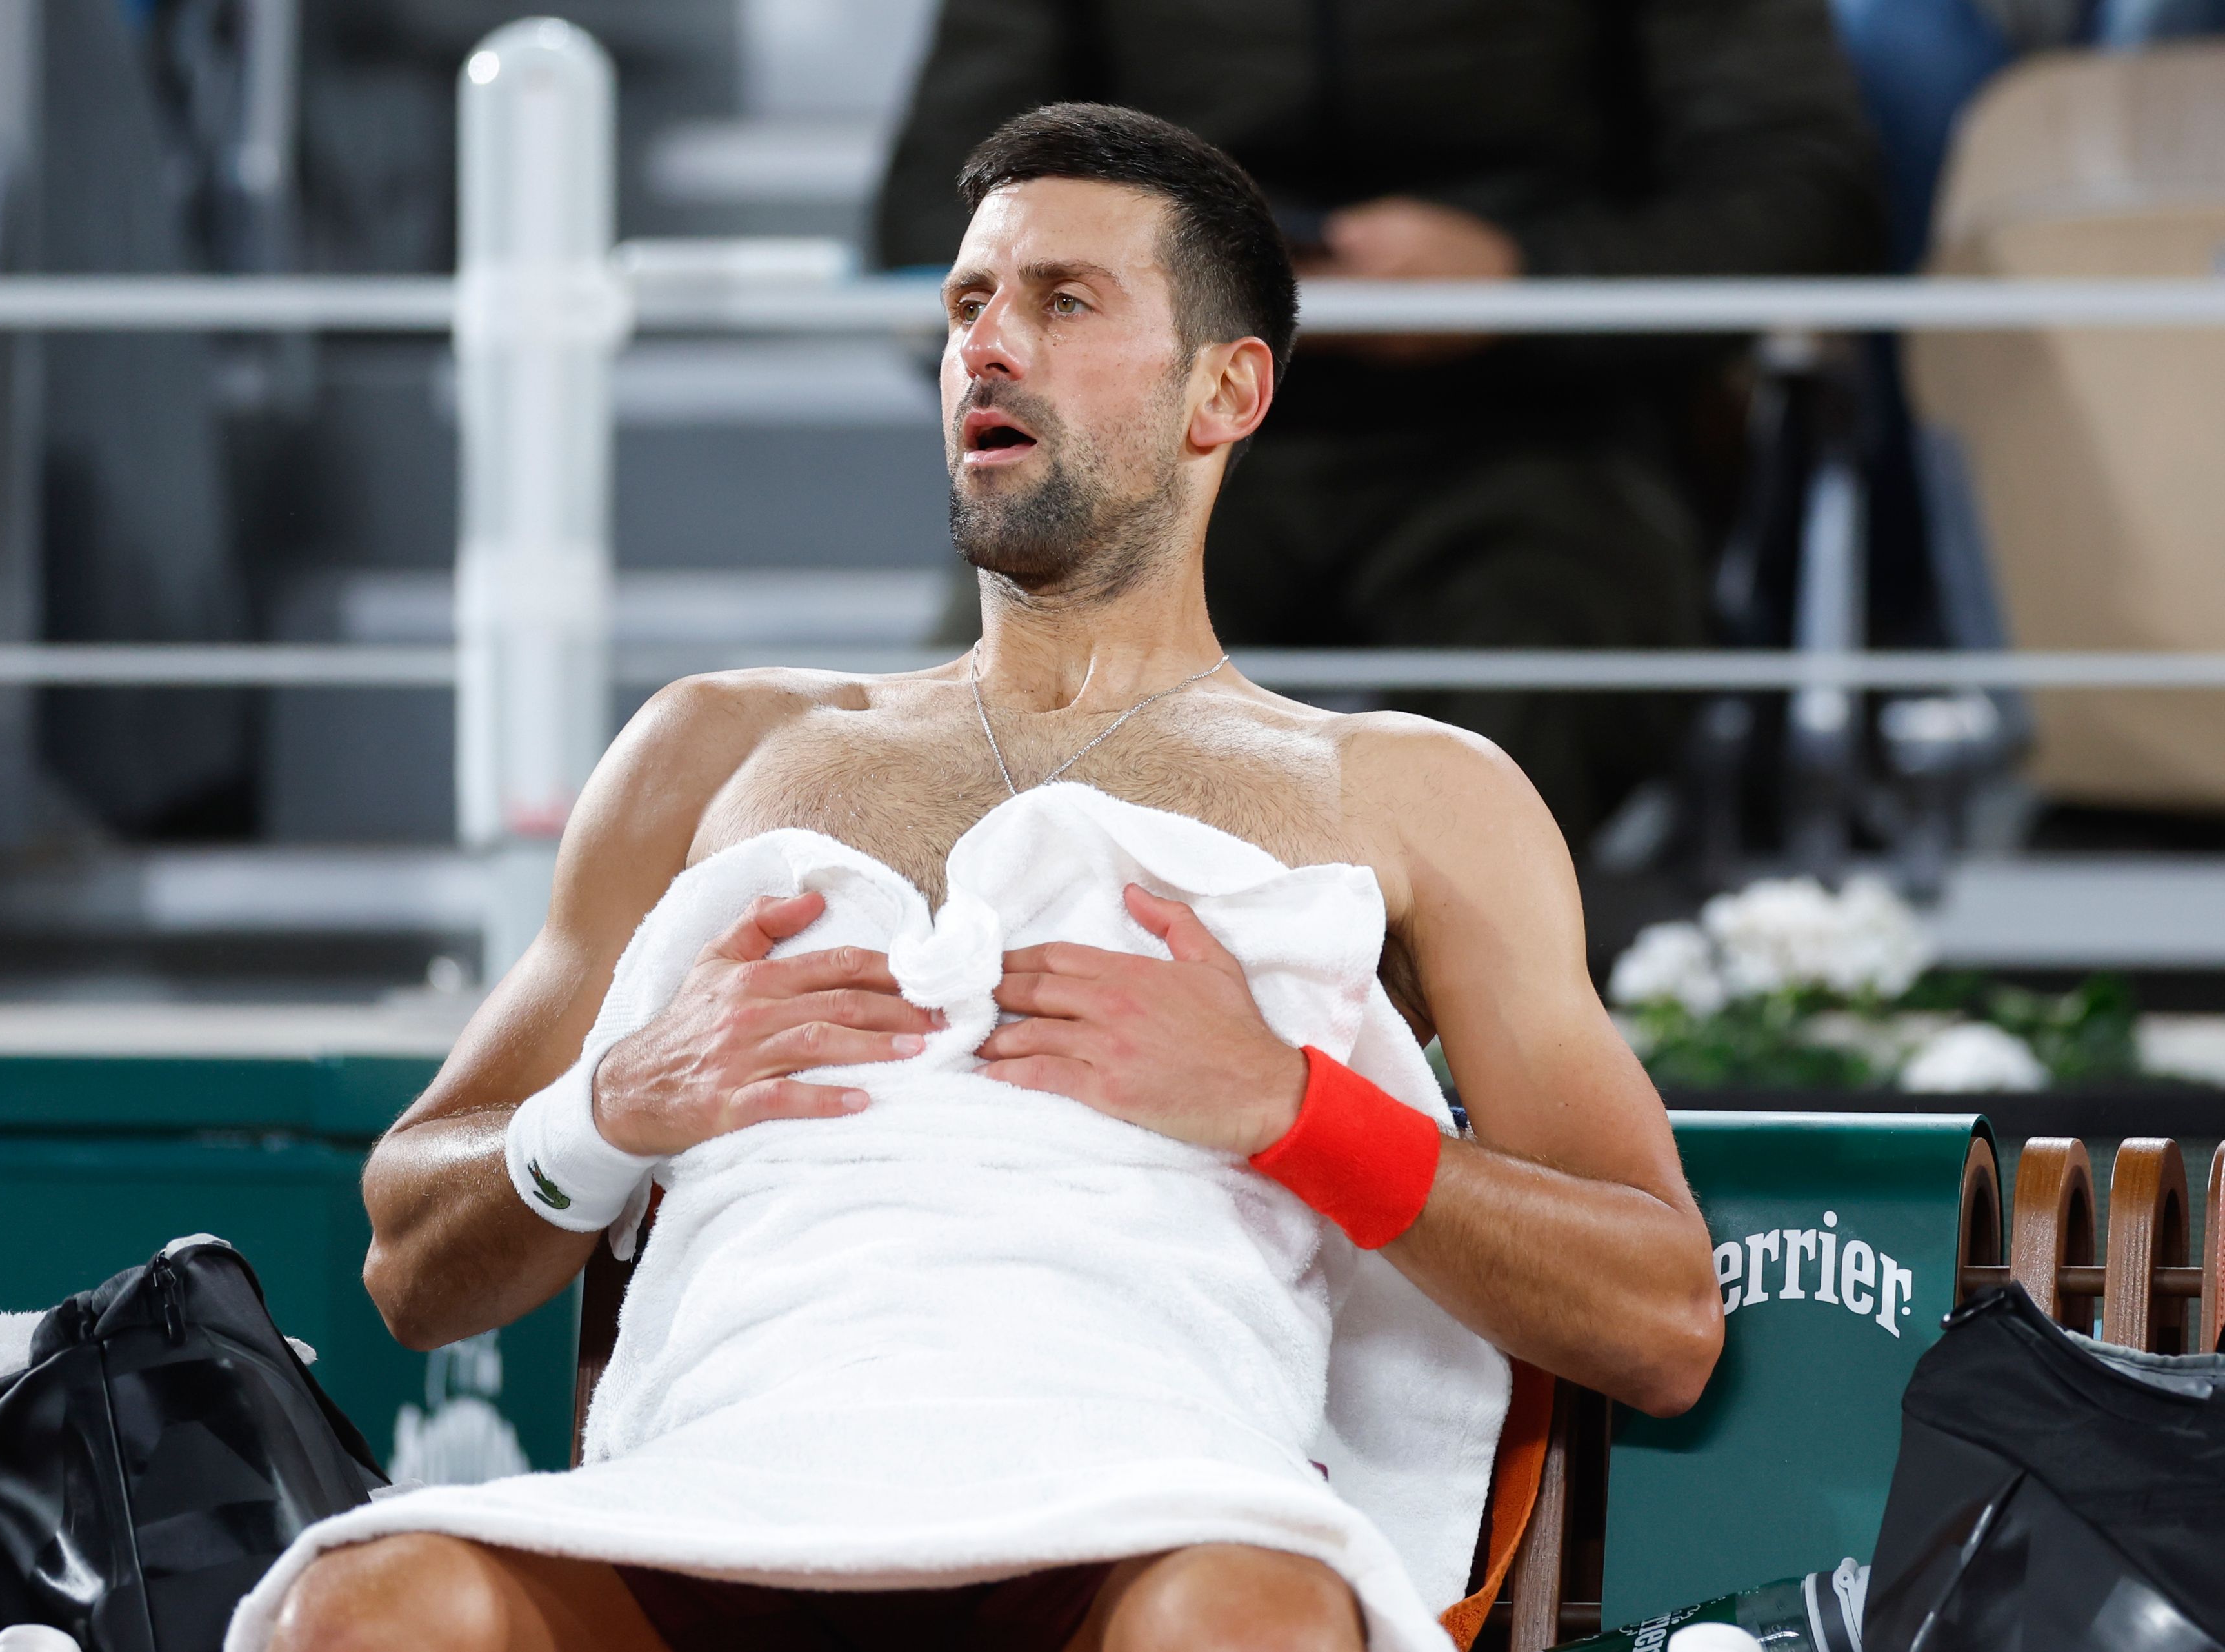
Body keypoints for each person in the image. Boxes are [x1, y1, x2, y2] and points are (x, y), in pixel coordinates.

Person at [252, 106, 1719, 1652]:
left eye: (1064, 302)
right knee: (374, 1605)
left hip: (1144, 1521)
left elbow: (1661, 1320)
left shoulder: (1405, 792)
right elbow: (412, 1265)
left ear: (1229, 390)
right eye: (968, 304)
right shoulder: (717, 746)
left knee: (1249, 1618)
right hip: (726, 1503)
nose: (988, 349)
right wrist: (606, 1109)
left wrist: (1296, 1106)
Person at [878, 0, 1887, 846]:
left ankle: (1420, 1034)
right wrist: (1170, 279)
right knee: (1003, 721)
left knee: (1550, 657)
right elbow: (935, 217)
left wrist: (1520, 278)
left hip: (1539, 426)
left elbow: (1807, 191)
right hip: (1163, 427)